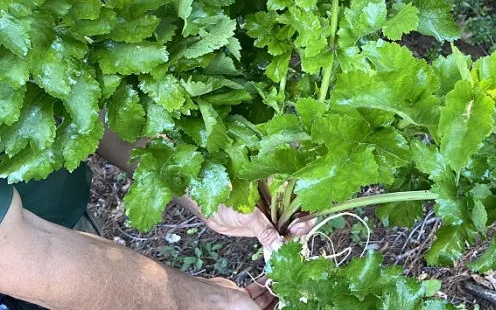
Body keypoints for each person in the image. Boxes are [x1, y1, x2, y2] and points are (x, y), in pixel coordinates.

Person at [0, 123, 310, 310]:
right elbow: (16, 255)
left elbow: (82, 113)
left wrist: (207, 193)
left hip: (59, 228)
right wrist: (202, 302)